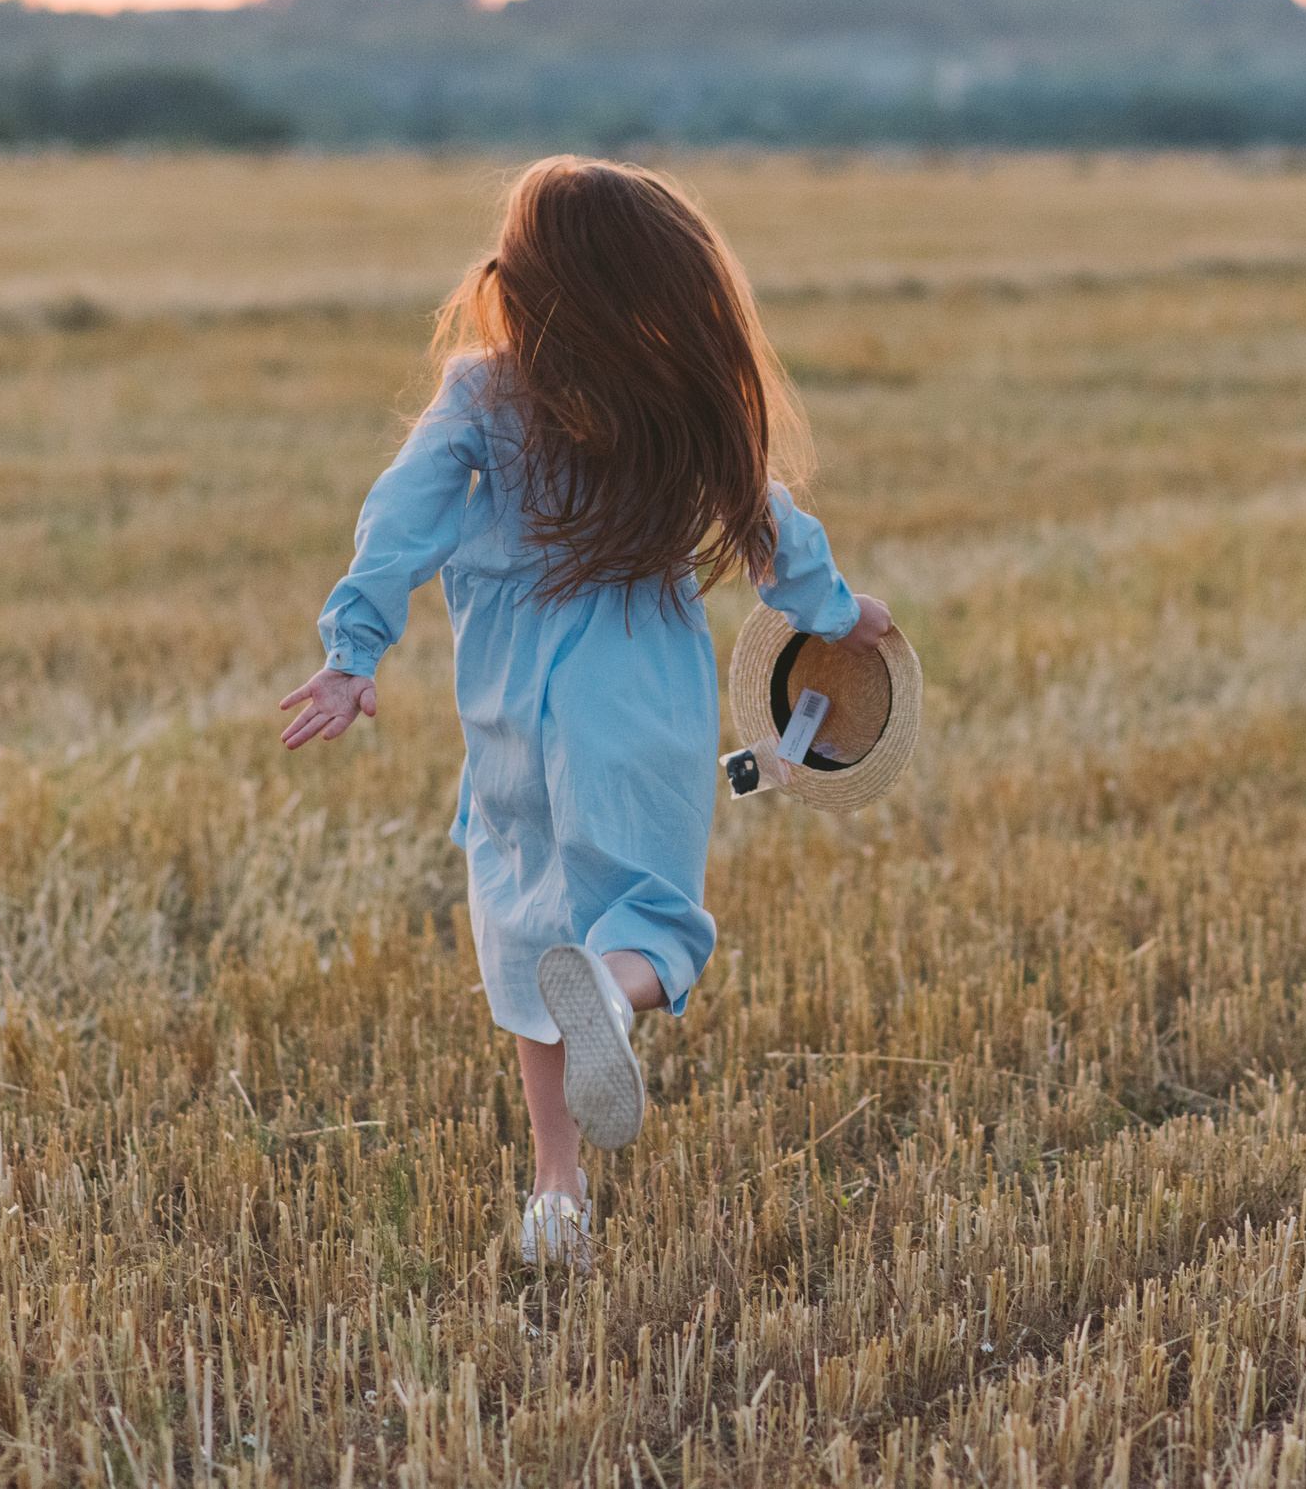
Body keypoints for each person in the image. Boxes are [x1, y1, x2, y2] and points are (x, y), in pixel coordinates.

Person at [278, 157, 891, 1266]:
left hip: (508, 716)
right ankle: (612, 993)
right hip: (636, 705)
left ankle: (555, 1198)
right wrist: (841, 612)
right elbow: (774, 532)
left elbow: (399, 519)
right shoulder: (676, 398)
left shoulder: (481, 390)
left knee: (527, 944)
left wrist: (352, 651)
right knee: (651, 923)